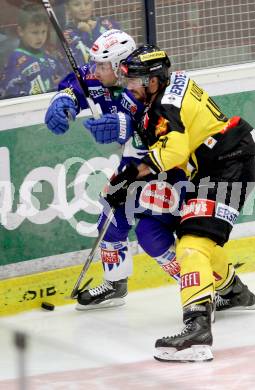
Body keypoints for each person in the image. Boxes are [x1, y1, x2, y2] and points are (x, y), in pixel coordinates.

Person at [105, 44, 255, 362]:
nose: (130, 86)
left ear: (153, 80)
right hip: (222, 164)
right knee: (199, 238)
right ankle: (234, 292)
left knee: (191, 245)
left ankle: (197, 330)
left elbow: (173, 153)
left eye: (135, 80)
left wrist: (128, 178)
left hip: (226, 168)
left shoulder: (164, 106)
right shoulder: (175, 83)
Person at [44, 29, 186, 311]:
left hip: (165, 167)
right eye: (95, 62)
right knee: (110, 220)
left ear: (121, 65)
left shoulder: (146, 85)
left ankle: (201, 285)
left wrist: (125, 126)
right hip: (132, 166)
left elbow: (162, 131)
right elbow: (75, 85)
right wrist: (63, 102)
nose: (96, 70)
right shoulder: (98, 75)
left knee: (152, 235)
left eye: (103, 65)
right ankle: (115, 283)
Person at [1, 4, 64, 98]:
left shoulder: (48, 55)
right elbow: (10, 91)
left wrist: (61, 80)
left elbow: (62, 73)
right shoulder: (16, 60)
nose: (40, 37)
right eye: (35, 32)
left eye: (43, 32)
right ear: (21, 31)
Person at [63, 0, 120, 66]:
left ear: (92, 4)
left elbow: (117, 52)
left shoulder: (108, 24)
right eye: (76, 5)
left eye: (87, 3)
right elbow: (79, 63)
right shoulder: (67, 35)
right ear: (68, 8)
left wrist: (93, 32)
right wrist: (87, 34)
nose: (83, 9)